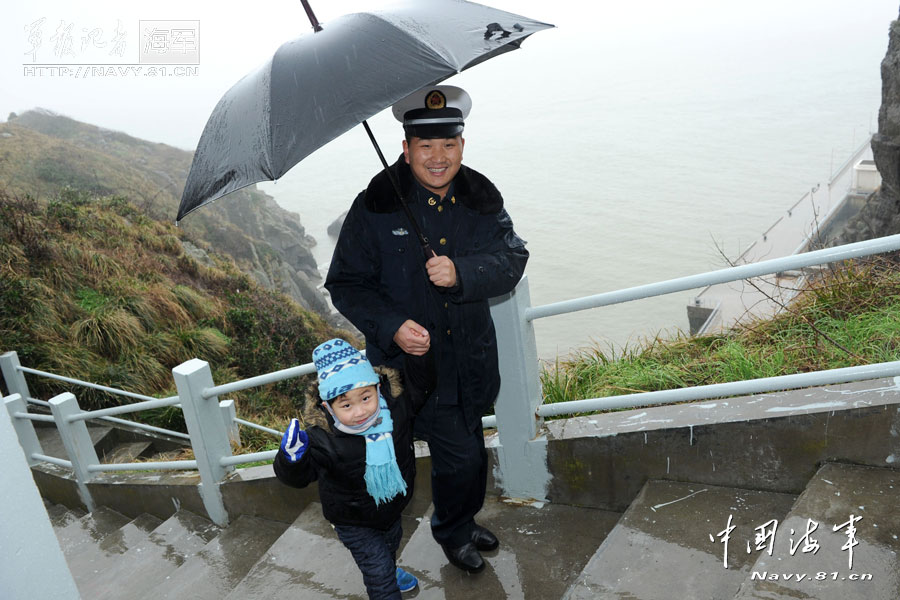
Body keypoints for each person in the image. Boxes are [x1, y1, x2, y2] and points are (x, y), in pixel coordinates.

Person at [325, 85, 529, 573]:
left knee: (465, 461)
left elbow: (512, 258)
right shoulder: (375, 204)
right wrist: (392, 326)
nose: (438, 158)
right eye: (425, 146)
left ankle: (455, 528)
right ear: (405, 148)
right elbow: (345, 284)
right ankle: (378, 555)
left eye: (449, 145)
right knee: (389, 469)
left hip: (462, 364)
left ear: (462, 144)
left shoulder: (481, 197)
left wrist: (462, 272)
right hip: (399, 372)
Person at [273, 338, 431, 599]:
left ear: (378, 388)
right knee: (378, 575)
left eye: (366, 397)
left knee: (389, 549)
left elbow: (424, 382)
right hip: (352, 519)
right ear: (327, 407)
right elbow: (300, 478)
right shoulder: (321, 437)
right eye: (346, 405)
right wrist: (291, 459)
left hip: (392, 506)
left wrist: (421, 354)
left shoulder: (396, 407)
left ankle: (389, 570)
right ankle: (385, 576)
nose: (360, 411)